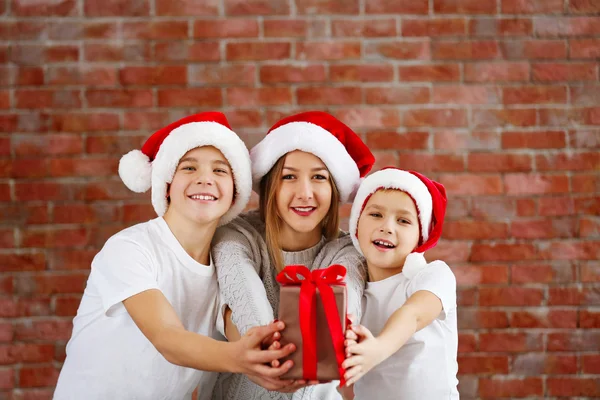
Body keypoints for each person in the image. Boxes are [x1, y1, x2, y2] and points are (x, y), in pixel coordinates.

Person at [53, 112, 296, 400]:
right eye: (189, 169)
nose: (205, 179)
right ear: (167, 185)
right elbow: (167, 337)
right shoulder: (131, 248)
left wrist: (269, 359)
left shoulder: (226, 267)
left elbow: (238, 328)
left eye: (220, 171)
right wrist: (240, 357)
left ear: (235, 193)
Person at [210, 111, 375, 399]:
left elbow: (337, 315)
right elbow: (246, 302)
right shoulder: (236, 237)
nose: (305, 193)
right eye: (289, 176)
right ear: (270, 186)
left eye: (319, 177)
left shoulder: (349, 250)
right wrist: (271, 359)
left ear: (335, 189)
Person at [342, 168, 458, 400]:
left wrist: (378, 348)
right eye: (376, 215)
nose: (387, 227)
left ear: (420, 236)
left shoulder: (432, 275)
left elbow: (412, 314)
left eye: (403, 220)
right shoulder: (351, 291)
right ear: (356, 225)